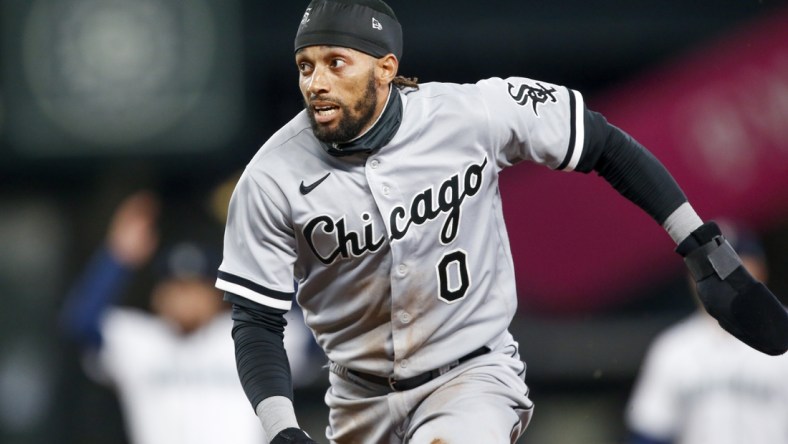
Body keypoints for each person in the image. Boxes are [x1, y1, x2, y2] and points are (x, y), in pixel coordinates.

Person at [214, 1, 788, 443]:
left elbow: (605, 144)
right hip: (356, 397)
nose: (315, 81)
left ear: (386, 68)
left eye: (336, 63)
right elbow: (257, 322)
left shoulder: (474, 113)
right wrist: (281, 428)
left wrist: (703, 250)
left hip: (470, 375)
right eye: (305, 65)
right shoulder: (271, 176)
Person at [59, 190, 318, 444]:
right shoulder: (138, 340)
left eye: (196, 288)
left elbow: (316, 327)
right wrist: (117, 257)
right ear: (158, 297)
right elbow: (80, 323)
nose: (186, 299)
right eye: (177, 289)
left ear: (216, 296)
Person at [626, 222, 788, 444]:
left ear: (759, 269)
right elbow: (650, 432)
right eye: (707, 264)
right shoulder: (673, 348)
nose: (719, 275)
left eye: (732, 265)